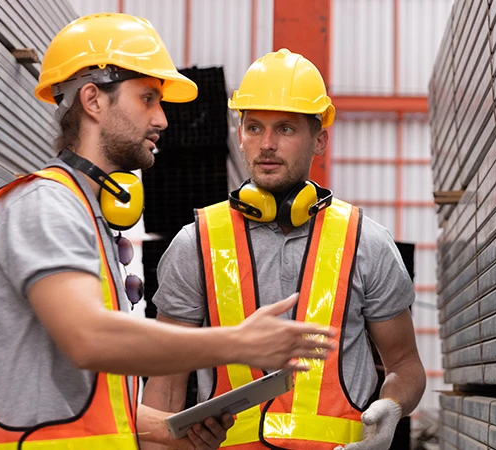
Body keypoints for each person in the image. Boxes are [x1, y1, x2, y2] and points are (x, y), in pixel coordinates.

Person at [0, 16, 335, 450]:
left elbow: (84, 397)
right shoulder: (44, 206)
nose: (162, 118)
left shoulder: (89, 214)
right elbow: (90, 339)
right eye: (147, 99)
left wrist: (165, 429)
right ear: (93, 100)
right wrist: (235, 343)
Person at [143, 49, 426, 450]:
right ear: (239, 135)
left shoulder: (366, 242)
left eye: (286, 129)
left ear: (320, 139)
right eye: (254, 127)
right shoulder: (196, 244)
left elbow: (405, 365)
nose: (267, 144)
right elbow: (165, 385)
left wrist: (392, 408)